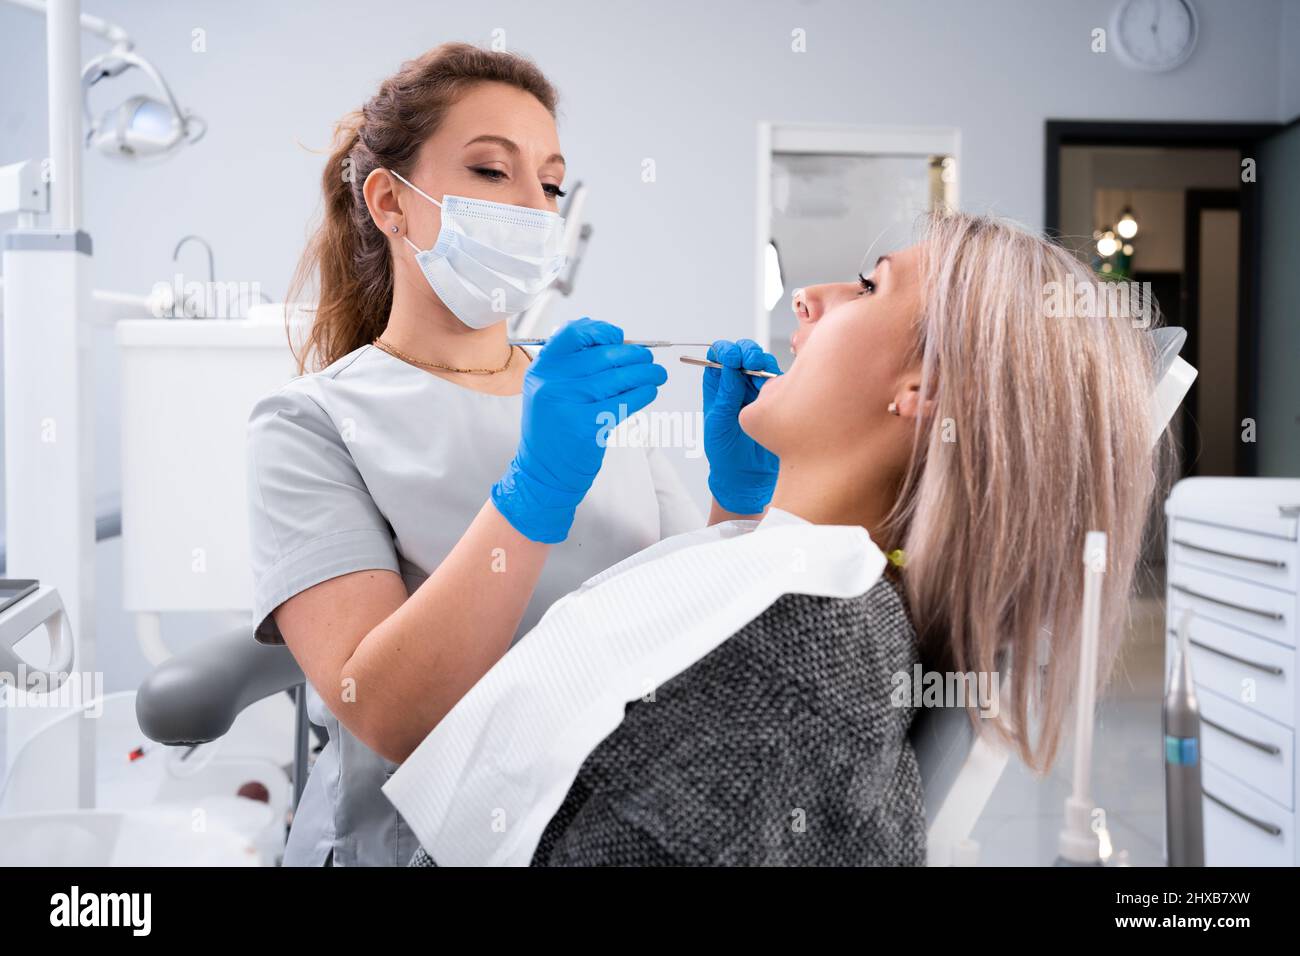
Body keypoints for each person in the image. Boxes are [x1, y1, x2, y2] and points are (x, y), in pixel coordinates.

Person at [404, 212, 1172, 866]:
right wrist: (739, 518)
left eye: (869, 286)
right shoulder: (824, 612)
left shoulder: (804, 658)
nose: (805, 299)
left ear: (927, 392)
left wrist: (538, 486)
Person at [246, 43, 779, 866]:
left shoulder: (579, 393)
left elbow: (688, 638)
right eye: (493, 173)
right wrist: (536, 491)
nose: (536, 206)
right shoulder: (309, 423)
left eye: (553, 182)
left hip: (605, 836)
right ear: (390, 202)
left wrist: (738, 507)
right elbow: (385, 710)